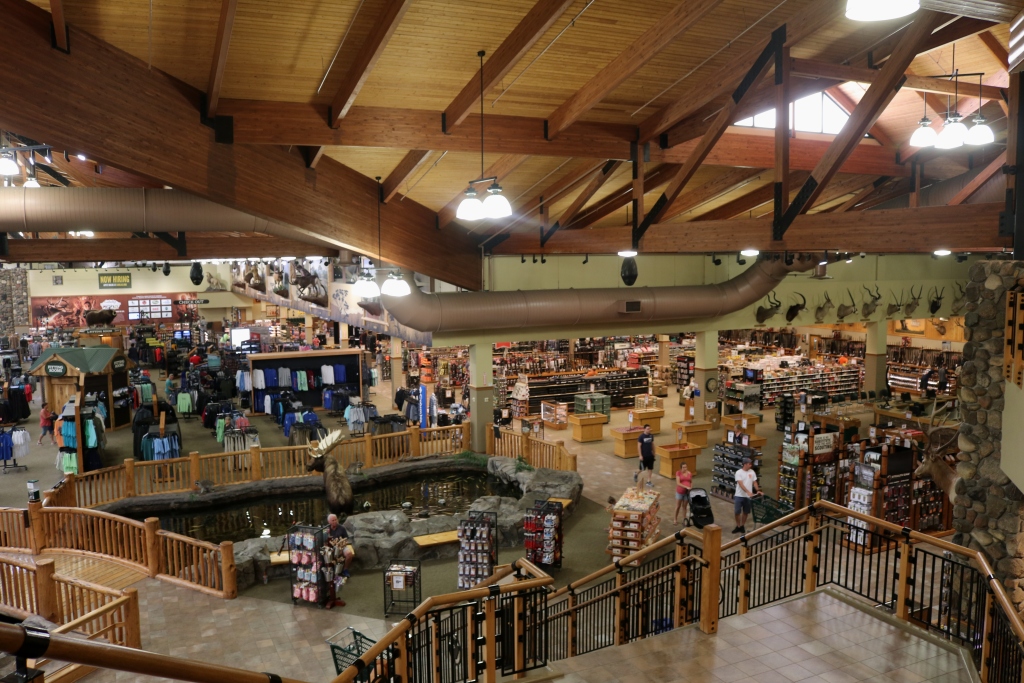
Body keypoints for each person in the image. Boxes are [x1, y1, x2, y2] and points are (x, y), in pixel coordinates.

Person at [326, 514, 355, 607]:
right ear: (329, 522)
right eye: (333, 520)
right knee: (328, 555)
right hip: (331, 547)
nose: (335, 521)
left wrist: (341, 547)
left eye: (336, 519)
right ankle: (331, 574)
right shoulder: (326, 529)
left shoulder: (342, 528)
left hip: (341, 546)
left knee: (349, 554)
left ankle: (345, 569)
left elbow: (346, 540)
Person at [733, 458, 760, 534]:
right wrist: (748, 492)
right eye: (749, 464)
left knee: (746, 512)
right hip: (739, 495)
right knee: (737, 512)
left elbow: (755, 482)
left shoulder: (752, 472)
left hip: (748, 497)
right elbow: (741, 484)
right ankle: (738, 526)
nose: (751, 465)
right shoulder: (739, 472)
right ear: (745, 464)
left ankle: (742, 526)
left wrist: (757, 490)